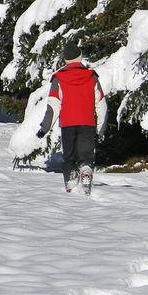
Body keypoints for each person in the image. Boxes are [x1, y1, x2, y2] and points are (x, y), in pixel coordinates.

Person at [36, 41, 107, 194]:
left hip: (68, 124)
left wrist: (44, 128)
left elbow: (53, 107)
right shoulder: (91, 76)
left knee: (69, 157)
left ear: (65, 59)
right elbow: (101, 104)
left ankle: (70, 182)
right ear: (80, 57)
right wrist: (100, 128)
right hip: (87, 123)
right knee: (86, 156)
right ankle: (86, 170)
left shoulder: (59, 78)